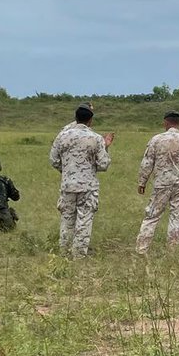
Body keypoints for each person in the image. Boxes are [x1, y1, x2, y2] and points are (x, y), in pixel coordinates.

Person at [49, 104, 113, 256]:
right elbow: (103, 164)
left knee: (67, 220)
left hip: (67, 185)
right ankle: (78, 256)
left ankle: (64, 253)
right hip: (87, 187)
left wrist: (67, 171)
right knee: (84, 221)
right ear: (90, 120)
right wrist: (106, 147)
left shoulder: (62, 136)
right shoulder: (96, 138)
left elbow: (53, 160)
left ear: (75, 118)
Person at [135, 111, 179, 254]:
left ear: (165, 123)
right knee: (177, 218)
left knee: (151, 216)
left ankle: (141, 250)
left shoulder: (156, 140)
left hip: (161, 185)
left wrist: (142, 182)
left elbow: (147, 163)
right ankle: (172, 252)